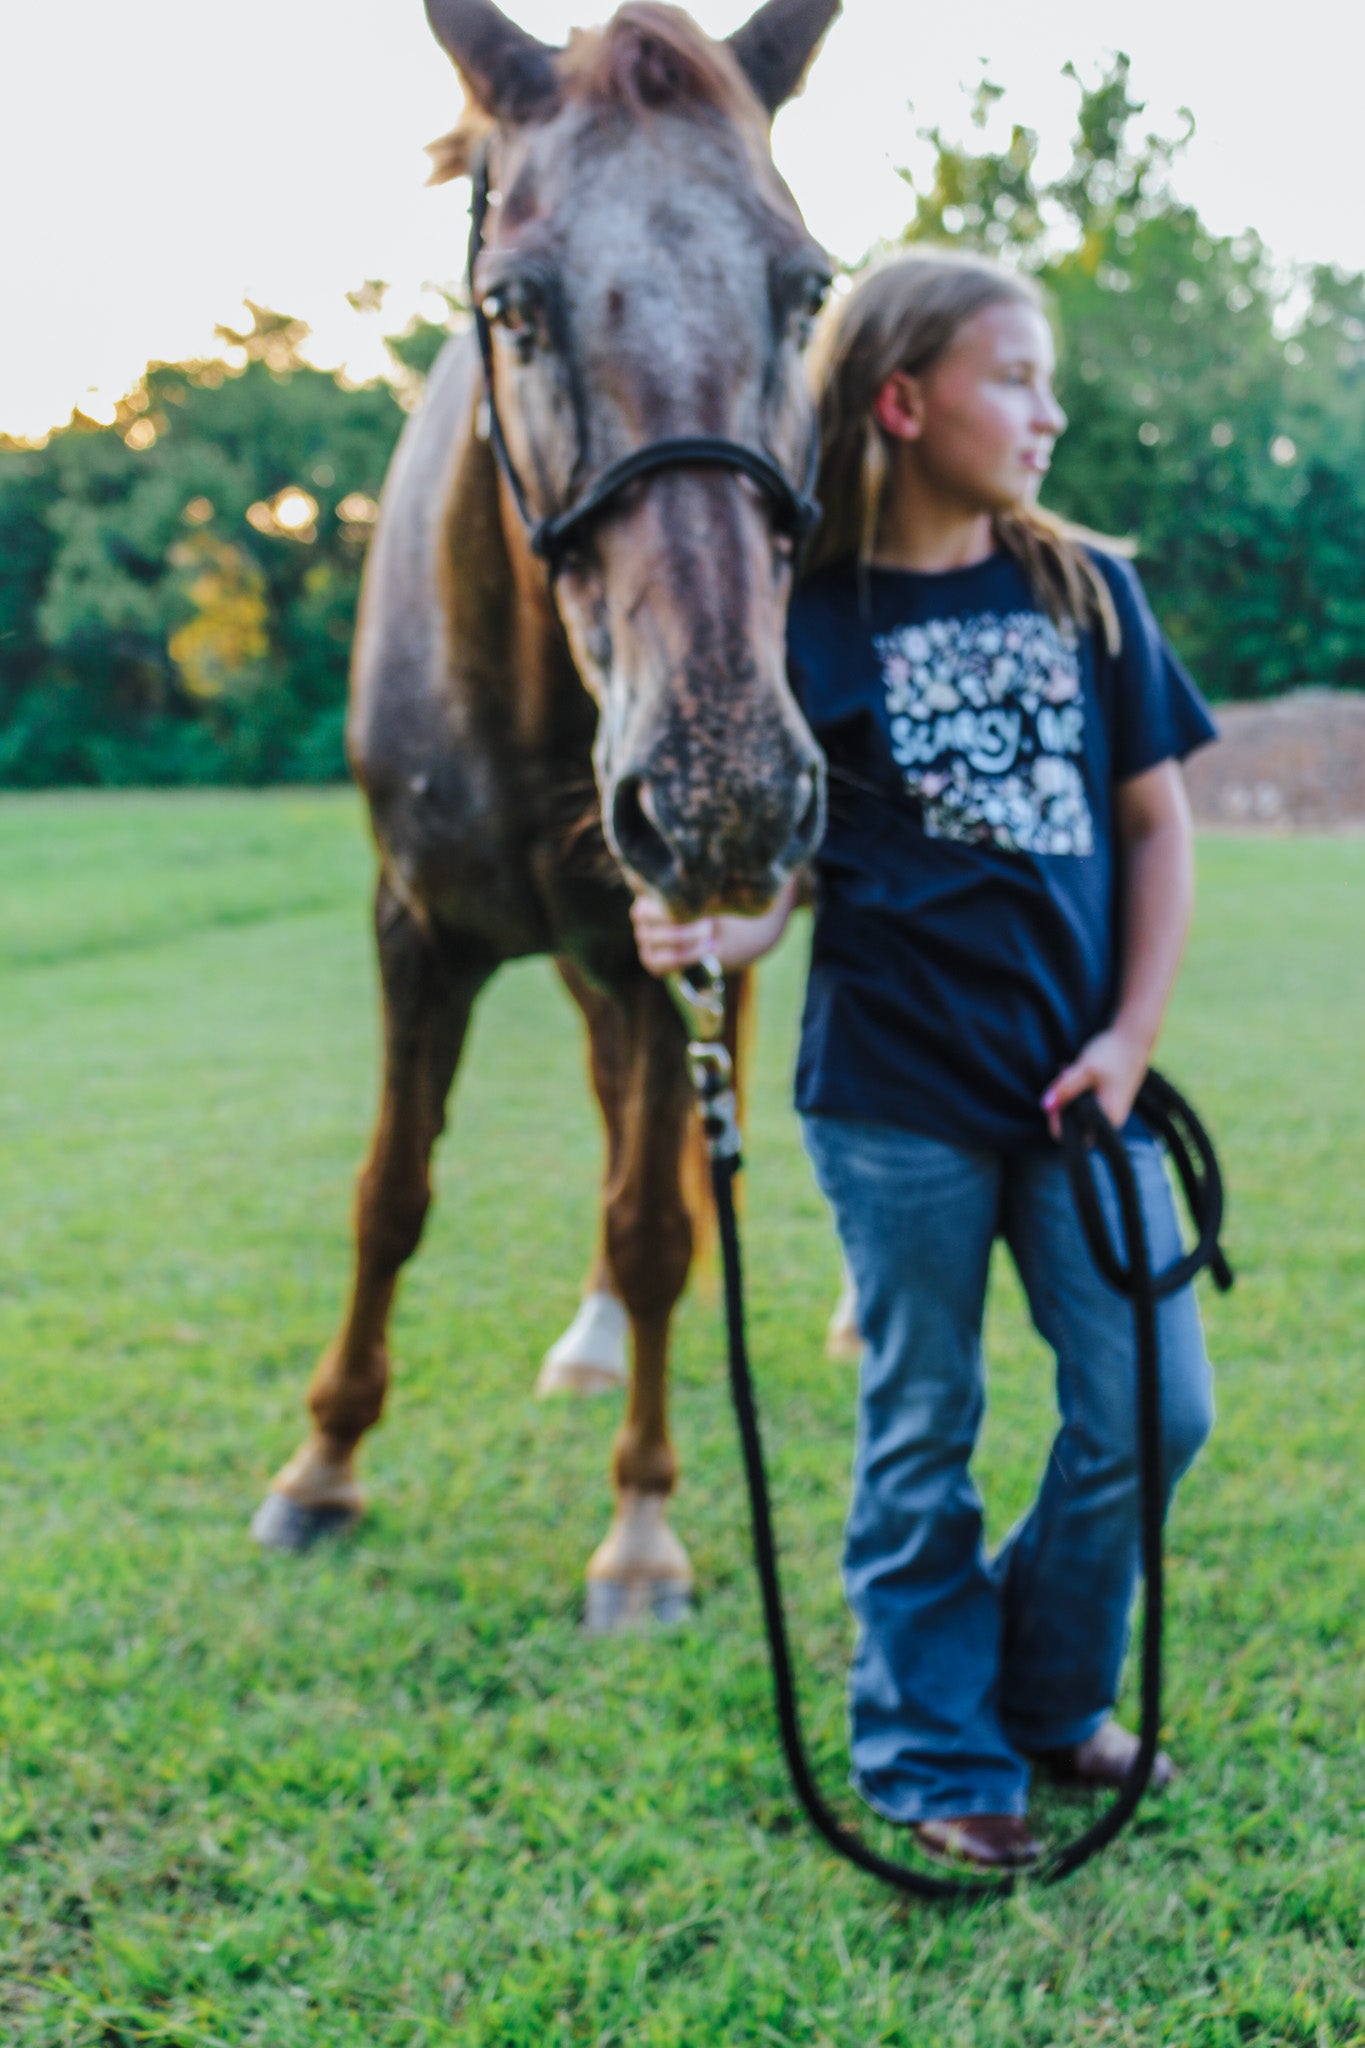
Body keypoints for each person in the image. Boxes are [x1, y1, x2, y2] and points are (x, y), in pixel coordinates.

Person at [632, 251, 1216, 1871]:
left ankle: (1044, 1694)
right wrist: (713, 939)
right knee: (922, 1421)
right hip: (894, 1099)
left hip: (1078, 1090)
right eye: (1014, 376)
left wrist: (1129, 1037)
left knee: (1152, 1410)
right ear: (901, 402)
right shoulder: (808, 621)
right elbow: (784, 892)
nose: (1050, 409)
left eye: (1044, 379)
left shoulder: (1088, 593)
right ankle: (931, 1747)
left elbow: (1155, 827)